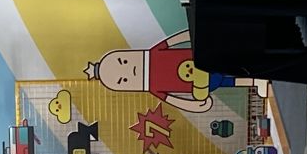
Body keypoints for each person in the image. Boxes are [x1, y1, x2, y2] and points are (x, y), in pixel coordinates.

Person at [84, 29, 269, 113]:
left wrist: (192, 34)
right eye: (123, 81)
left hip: (201, 59)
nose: (129, 71)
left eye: (123, 61)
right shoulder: (153, 87)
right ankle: (255, 80)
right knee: (227, 80)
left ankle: (256, 62)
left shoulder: (153, 53)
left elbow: (172, 41)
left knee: (227, 61)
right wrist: (194, 105)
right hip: (199, 85)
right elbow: (172, 99)